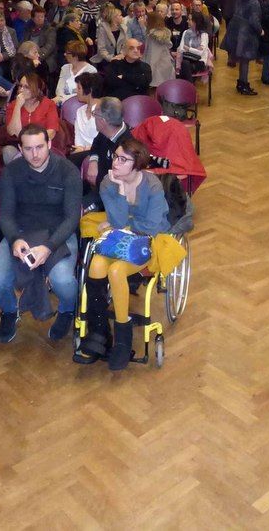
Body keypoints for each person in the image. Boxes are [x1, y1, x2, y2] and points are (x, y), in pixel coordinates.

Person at [79, 139, 171, 372]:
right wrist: (120, 192)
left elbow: (151, 226)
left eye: (122, 159)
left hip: (147, 242)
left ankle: (123, 336)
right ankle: (99, 331)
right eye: (115, 157)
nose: (115, 162)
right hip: (119, 241)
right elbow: (118, 221)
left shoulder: (152, 185)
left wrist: (124, 224)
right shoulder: (108, 183)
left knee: (117, 270)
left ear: (137, 163)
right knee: (97, 265)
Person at [0, 124, 82, 346]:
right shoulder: (11, 172)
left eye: (40, 147)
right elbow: (7, 215)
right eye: (28, 149)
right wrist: (14, 239)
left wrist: (48, 246)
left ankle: (67, 310)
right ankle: (10, 312)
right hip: (21, 233)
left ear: (49, 144)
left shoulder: (68, 172)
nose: (35, 154)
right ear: (20, 148)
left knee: (64, 281)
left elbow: (71, 219)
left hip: (58, 234)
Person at [2, 73, 60, 163]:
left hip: (41, 145)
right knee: (8, 151)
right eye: (20, 86)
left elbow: (51, 132)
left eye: (26, 87)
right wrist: (18, 106)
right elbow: (13, 132)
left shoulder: (49, 104)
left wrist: (34, 145)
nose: (21, 90)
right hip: (20, 145)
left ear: (37, 89)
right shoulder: (13, 105)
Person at [224, 0, 264, 95]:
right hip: (247, 34)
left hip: (236, 30)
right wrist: (260, 30)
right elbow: (254, 20)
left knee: (242, 60)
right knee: (245, 60)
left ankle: (241, 83)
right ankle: (244, 85)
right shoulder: (255, 1)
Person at [53, 40, 96, 105]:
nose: (64, 54)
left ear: (75, 55)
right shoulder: (65, 68)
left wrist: (63, 99)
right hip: (62, 103)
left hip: (81, 104)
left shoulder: (91, 71)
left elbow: (85, 94)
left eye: (67, 53)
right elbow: (59, 89)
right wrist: (61, 99)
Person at [174, 9, 213, 81]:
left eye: (190, 19)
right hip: (187, 59)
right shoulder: (186, 32)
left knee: (184, 67)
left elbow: (201, 53)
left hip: (199, 62)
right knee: (185, 64)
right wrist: (196, 49)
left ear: (196, 22)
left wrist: (189, 49)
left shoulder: (204, 35)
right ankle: (191, 87)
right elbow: (182, 49)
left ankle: (185, 87)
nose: (187, 21)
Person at [142, 13, 176, 89]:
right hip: (167, 68)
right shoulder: (163, 34)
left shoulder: (153, 37)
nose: (145, 21)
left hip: (157, 72)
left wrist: (148, 75)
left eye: (146, 19)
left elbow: (153, 58)